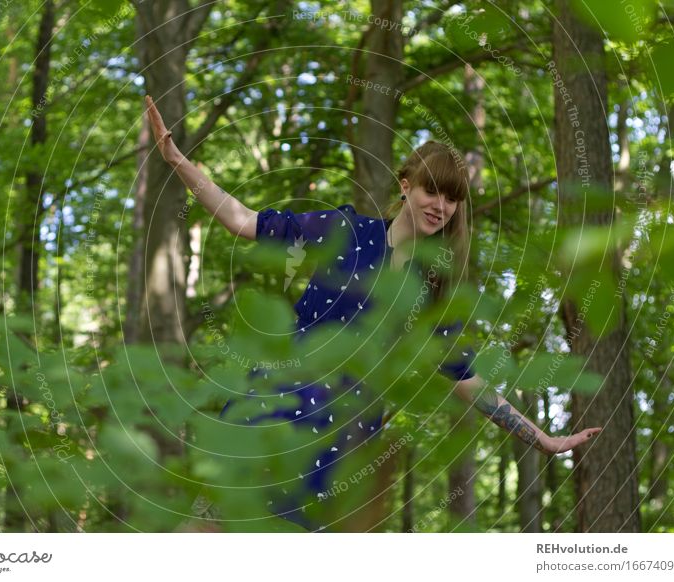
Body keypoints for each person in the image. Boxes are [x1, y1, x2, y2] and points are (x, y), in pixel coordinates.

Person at [144, 95, 603, 532]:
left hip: (341, 453)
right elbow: (244, 220)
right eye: (432, 190)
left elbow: (467, 379)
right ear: (406, 186)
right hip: (272, 412)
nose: (441, 206)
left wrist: (544, 439)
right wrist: (177, 162)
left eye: (452, 198)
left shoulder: (431, 292)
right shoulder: (344, 232)